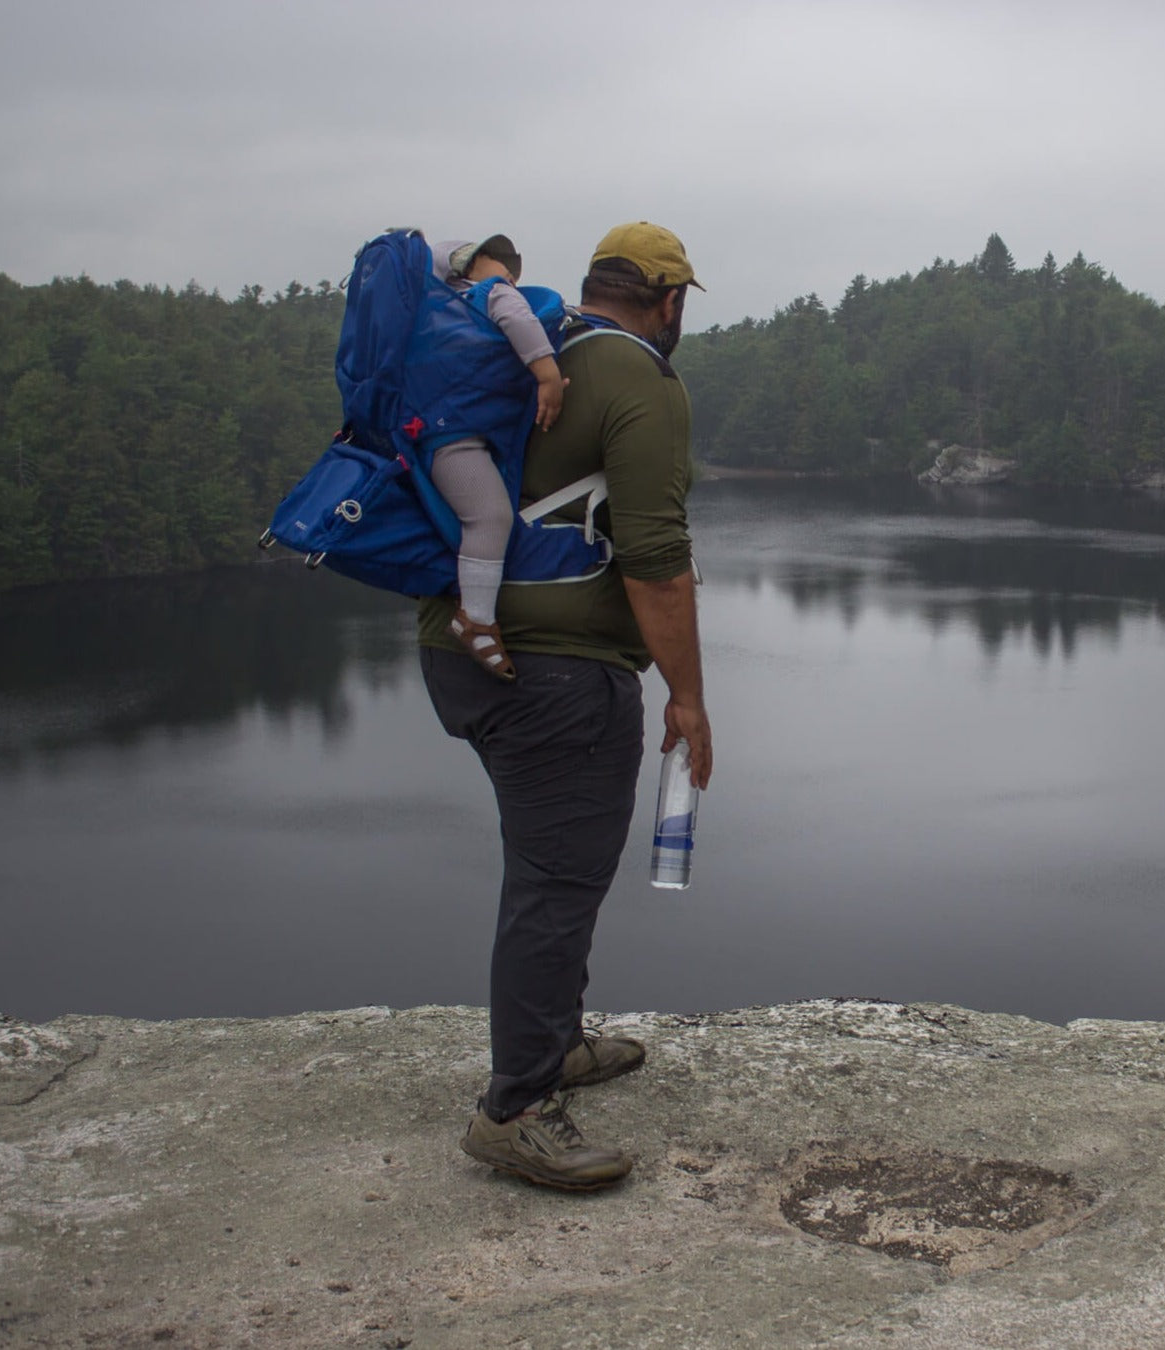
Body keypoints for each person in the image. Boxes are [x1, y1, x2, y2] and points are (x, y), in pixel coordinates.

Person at [418, 221, 713, 1190]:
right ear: (669, 302)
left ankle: (556, 1043)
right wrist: (691, 700)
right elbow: (657, 561)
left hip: (467, 650)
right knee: (557, 879)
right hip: (557, 672)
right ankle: (517, 1110)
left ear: (592, 286)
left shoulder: (539, 352)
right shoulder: (642, 382)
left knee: (555, 866)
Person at [428, 234, 567, 682]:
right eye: (493, 260)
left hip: (445, 430)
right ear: (465, 270)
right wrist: (547, 375)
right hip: (453, 437)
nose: (507, 271)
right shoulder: (490, 296)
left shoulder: (436, 315)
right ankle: (476, 620)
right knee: (489, 517)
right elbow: (517, 317)